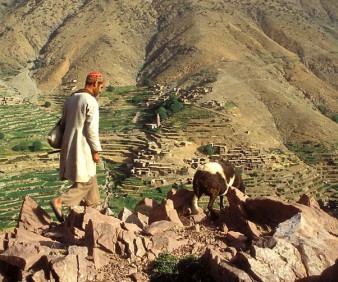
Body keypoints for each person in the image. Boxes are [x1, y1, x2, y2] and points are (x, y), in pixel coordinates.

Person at [50, 71, 105, 222]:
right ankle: (60, 201)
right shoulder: (91, 102)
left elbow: (63, 123)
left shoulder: (71, 99)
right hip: (83, 145)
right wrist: (96, 150)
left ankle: (94, 209)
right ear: (95, 84)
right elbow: (91, 130)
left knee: (91, 178)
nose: (100, 90)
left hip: (69, 142)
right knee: (86, 180)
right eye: (101, 87)